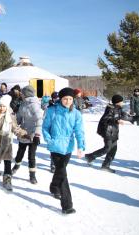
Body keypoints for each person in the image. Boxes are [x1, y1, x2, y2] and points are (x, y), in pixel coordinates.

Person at [42, 87, 85, 215]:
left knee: (61, 172)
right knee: (63, 174)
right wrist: (50, 140)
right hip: (55, 146)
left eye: (70, 99)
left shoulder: (76, 113)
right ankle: (67, 205)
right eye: (65, 98)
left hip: (68, 147)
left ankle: (54, 186)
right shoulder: (52, 111)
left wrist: (80, 146)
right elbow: (45, 127)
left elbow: (79, 131)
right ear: (60, 99)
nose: (67, 101)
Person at [0, 95, 28, 191]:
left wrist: (23, 134)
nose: (1, 108)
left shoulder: (11, 117)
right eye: (0, 106)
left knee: (7, 162)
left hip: (7, 143)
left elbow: (15, 128)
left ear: (7, 107)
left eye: (4, 106)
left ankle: (7, 181)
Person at [84, 95, 133, 173]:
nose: (123, 102)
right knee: (107, 148)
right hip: (107, 131)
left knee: (113, 149)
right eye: (122, 101)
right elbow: (106, 118)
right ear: (118, 102)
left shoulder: (119, 109)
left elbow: (126, 117)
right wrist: (116, 121)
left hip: (113, 131)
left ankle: (105, 165)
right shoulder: (110, 108)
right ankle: (90, 156)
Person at [12, 85, 44, 184]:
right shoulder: (23, 104)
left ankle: (32, 175)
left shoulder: (34, 104)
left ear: (26, 94)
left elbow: (39, 119)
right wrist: (15, 123)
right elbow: (19, 117)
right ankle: (16, 166)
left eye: (22, 93)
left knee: (31, 156)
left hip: (33, 134)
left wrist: (37, 135)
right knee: (20, 152)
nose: (21, 94)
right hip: (24, 133)